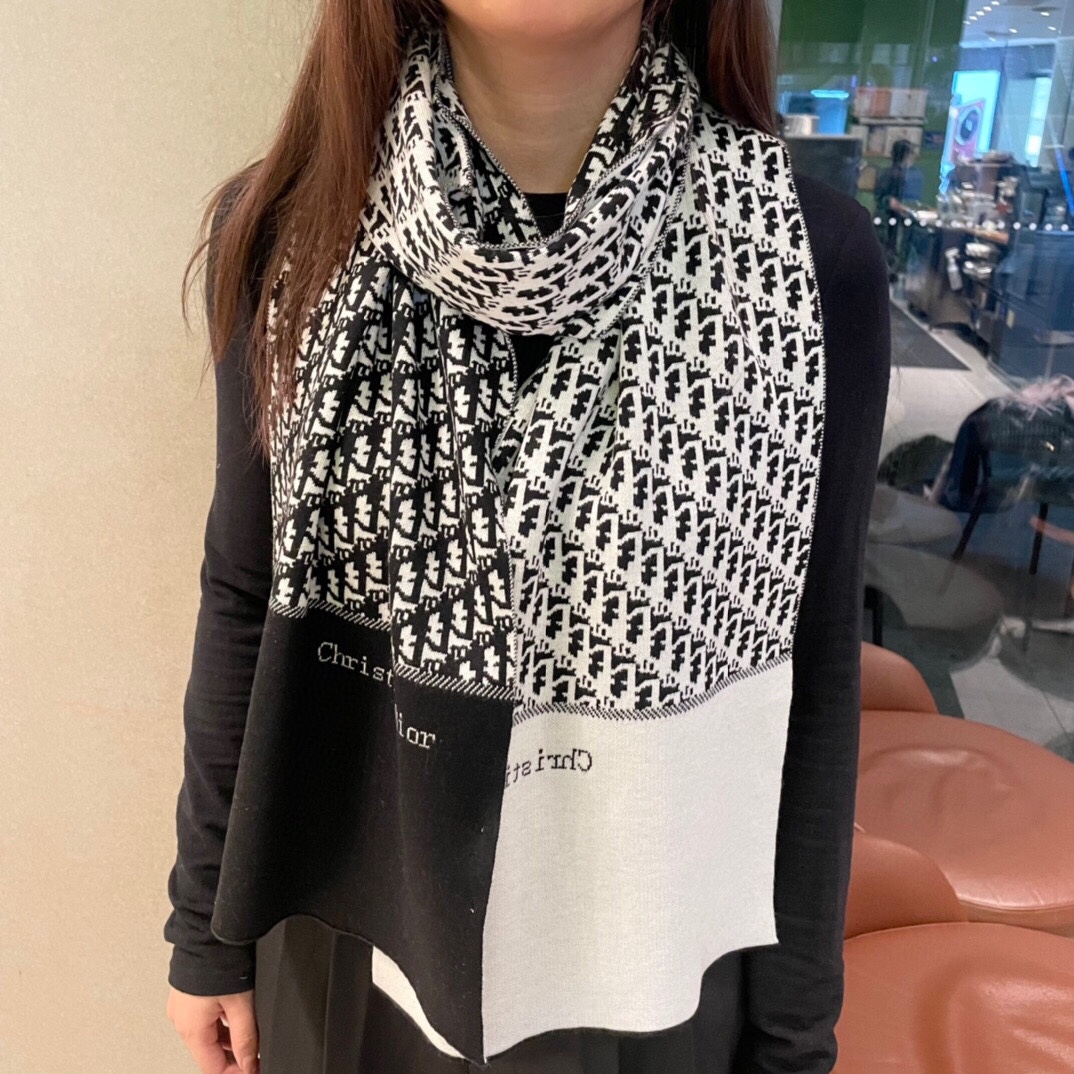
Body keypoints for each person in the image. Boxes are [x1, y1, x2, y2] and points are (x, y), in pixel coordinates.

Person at [163, 2, 891, 1073]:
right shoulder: (288, 226)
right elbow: (244, 595)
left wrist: (793, 1039)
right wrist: (204, 934)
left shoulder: (805, 256)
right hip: (348, 939)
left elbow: (812, 672)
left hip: (661, 969)